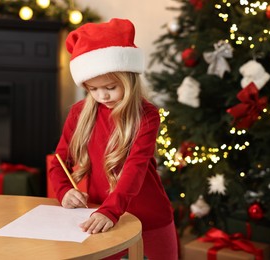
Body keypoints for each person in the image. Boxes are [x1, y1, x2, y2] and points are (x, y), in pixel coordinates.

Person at [49, 18, 178, 260]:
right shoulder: (79, 113)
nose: (102, 96)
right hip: (100, 218)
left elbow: (135, 168)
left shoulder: (147, 115)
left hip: (149, 218)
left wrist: (111, 211)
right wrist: (64, 190)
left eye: (110, 87)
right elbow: (59, 161)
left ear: (128, 78)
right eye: (92, 89)